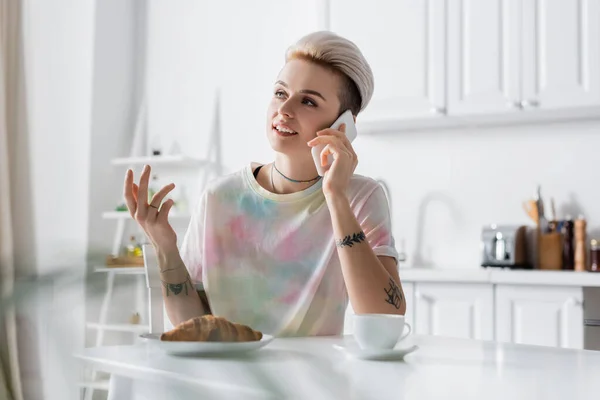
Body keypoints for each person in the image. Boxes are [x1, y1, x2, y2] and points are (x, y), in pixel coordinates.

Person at [123, 31, 406, 337]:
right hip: (230, 379)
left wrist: (335, 195)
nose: (284, 110)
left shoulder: (360, 197)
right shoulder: (220, 197)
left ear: (342, 125)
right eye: (280, 93)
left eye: (308, 101)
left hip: (315, 381)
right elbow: (191, 326)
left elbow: (384, 315)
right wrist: (165, 246)